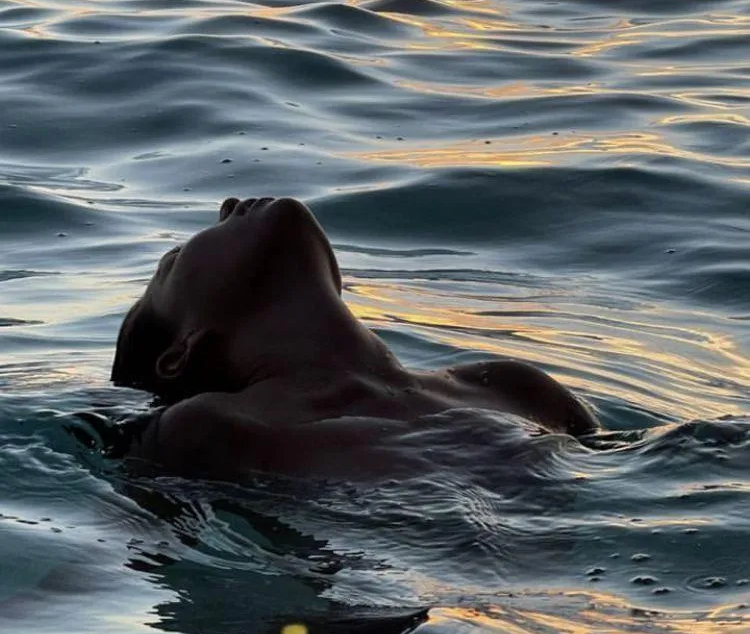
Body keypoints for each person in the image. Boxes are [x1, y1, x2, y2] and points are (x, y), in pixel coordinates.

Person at [112, 196, 596, 479]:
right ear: (182, 353)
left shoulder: (513, 385)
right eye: (172, 260)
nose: (229, 206)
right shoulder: (207, 428)